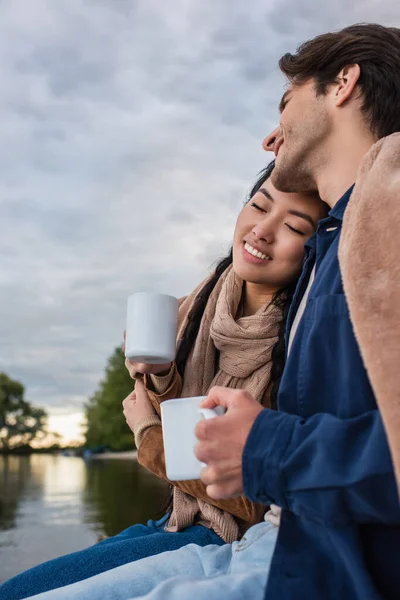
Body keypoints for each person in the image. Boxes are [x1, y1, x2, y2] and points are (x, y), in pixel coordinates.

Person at [23, 22, 400, 600]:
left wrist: (260, 448)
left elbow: (285, 458)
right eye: (259, 205)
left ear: (343, 82)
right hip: (290, 545)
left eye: (286, 103)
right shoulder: (331, 249)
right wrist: (163, 377)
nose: (271, 138)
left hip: (304, 560)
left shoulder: (380, 220)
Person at [0, 162, 326, 600]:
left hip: (224, 534)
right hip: (178, 515)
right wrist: (158, 376)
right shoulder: (202, 301)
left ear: (314, 248)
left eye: (292, 226)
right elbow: (180, 412)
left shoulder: (300, 337)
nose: (261, 231)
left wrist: (146, 434)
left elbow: (255, 500)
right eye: (258, 205)